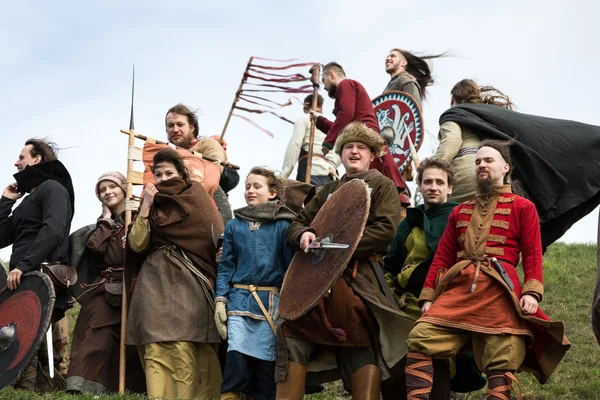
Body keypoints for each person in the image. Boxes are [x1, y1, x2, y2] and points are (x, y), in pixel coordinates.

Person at [404, 140, 570, 399]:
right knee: (420, 338)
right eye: (478, 161)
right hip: (458, 291)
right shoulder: (460, 210)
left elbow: (533, 255)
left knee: (502, 357)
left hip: (499, 290)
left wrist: (531, 292)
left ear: (505, 167)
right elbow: (442, 259)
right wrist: (428, 297)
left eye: (488, 160)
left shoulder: (523, 207)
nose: (481, 165)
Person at [276, 122, 414, 400]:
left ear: (372, 154)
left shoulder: (383, 185)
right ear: (340, 154)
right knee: (290, 331)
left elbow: (385, 231)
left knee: (361, 338)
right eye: (348, 147)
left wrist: (339, 248)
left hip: (358, 279)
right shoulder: (327, 191)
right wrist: (304, 235)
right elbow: (298, 224)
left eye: (360, 147)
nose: (353, 152)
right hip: (315, 282)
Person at [126, 148, 223, 400]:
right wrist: (145, 206)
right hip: (154, 281)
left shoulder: (196, 196)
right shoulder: (152, 204)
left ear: (181, 173)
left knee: (192, 342)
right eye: (158, 174)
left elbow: (213, 235)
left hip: (190, 276)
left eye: (169, 172)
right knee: (156, 346)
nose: (164, 178)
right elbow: (136, 244)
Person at [215, 167, 296, 400]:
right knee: (236, 356)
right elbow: (226, 267)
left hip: (271, 303)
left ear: (272, 193)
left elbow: (291, 268)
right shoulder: (234, 225)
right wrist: (221, 300)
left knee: (264, 365)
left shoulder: (283, 224)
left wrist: (287, 301)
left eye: (256, 186)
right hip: (239, 300)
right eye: (247, 186)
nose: (250, 190)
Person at [0, 138, 75, 391]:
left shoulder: (53, 188)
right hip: (23, 275)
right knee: (20, 336)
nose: (16, 162)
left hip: (40, 273)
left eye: (22, 157)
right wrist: (6, 201)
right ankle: (24, 388)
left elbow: (53, 231)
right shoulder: (25, 204)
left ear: (37, 159)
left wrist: (24, 265)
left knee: (35, 337)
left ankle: (32, 389)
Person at [381, 158, 460, 399]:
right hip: (401, 305)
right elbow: (391, 263)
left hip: (438, 304)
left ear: (449, 188)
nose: (433, 186)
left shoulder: (458, 218)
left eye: (439, 182)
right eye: (427, 182)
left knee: (435, 368)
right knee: (395, 369)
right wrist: (388, 291)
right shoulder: (408, 222)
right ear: (420, 186)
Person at [66, 172, 145, 394]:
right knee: (94, 335)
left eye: (112, 187)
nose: (107, 192)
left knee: (128, 340)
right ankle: (81, 387)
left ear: (124, 188)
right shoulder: (106, 223)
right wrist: (106, 219)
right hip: (104, 286)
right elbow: (96, 247)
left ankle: (129, 389)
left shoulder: (138, 217)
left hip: (133, 286)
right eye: (102, 190)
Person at [311, 62, 410, 205]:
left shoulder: (345, 84)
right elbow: (346, 127)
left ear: (332, 75)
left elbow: (346, 114)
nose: (325, 87)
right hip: (361, 137)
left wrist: (329, 142)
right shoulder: (348, 91)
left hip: (367, 138)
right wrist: (320, 121)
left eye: (324, 80)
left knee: (381, 182)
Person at [433, 79, 514, 203]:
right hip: (501, 177)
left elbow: (452, 140)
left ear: (452, 100)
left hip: (468, 177)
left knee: (457, 216)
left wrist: (432, 170)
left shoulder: (454, 115)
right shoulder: (492, 115)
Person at [165, 103, 233, 224]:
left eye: (180, 124)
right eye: (170, 125)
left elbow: (214, 169)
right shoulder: (167, 153)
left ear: (192, 127)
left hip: (210, 209)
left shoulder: (207, 144)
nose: (175, 129)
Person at [281, 94, 340, 187]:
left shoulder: (305, 119)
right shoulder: (332, 125)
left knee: (309, 201)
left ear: (305, 108)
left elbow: (295, 145)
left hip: (310, 172)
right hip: (332, 176)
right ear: (321, 107)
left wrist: (283, 177)